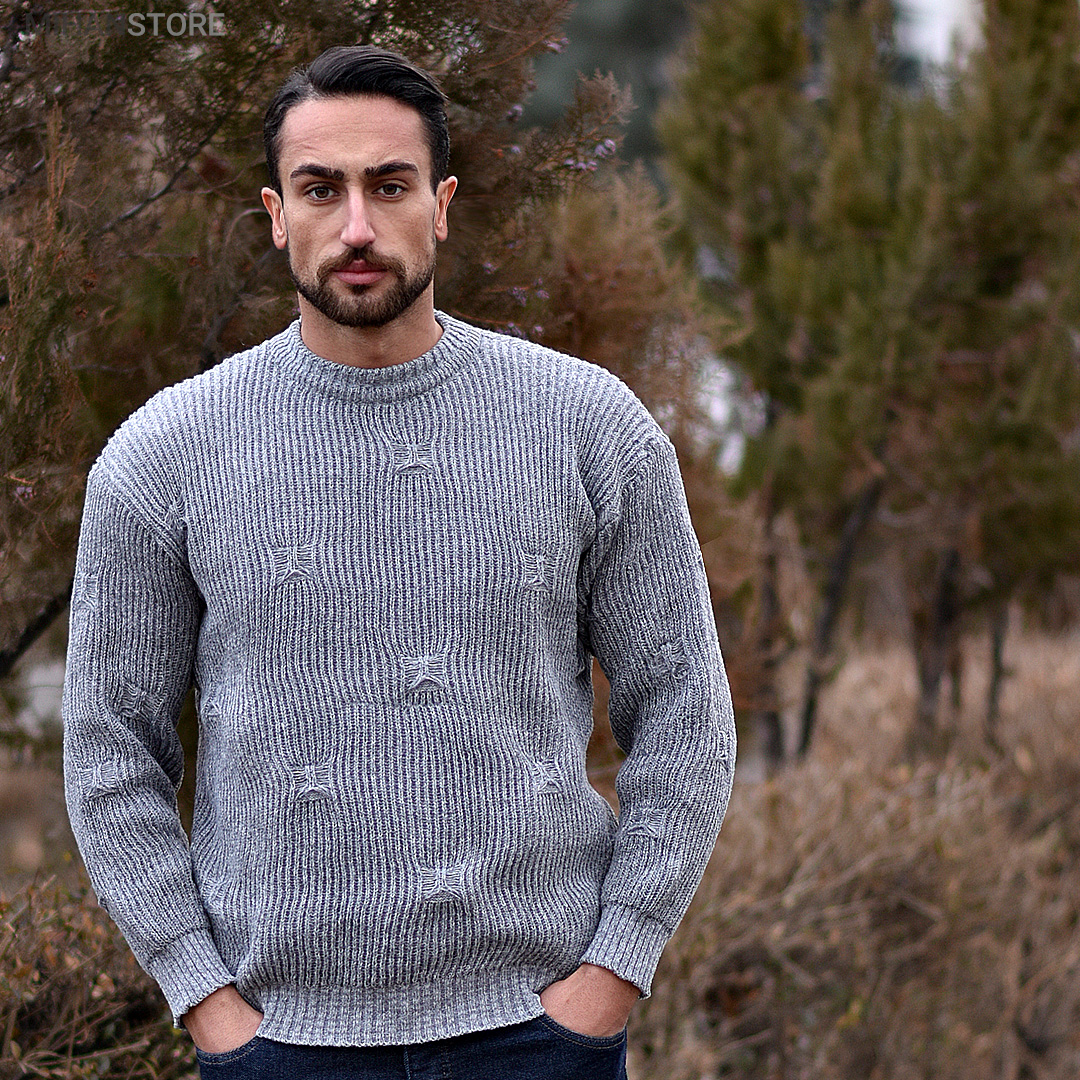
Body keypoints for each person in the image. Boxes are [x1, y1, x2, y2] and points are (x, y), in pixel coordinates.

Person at [62, 44, 736, 1079]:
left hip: (536, 1036)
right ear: (276, 215)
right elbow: (109, 750)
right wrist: (203, 997)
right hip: (278, 1046)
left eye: (389, 185)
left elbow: (686, 710)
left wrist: (613, 973)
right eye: (319, 190)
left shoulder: (588, 427)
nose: (357, 227)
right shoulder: (164, 456)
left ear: (443, 204)